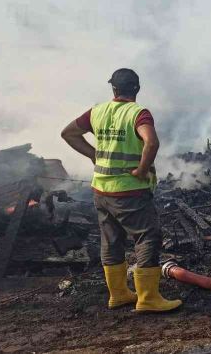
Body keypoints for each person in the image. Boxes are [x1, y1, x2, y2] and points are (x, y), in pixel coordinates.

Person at [61, 68, 181, 312]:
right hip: (129, 191)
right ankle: (148, 298)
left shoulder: (97, 111)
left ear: (113, 89)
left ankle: (119, 295)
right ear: (137, 88)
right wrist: (142, 169)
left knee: (111, 240)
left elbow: (68, 133)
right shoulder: (138, 113)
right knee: (148, 237)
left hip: (102, 190)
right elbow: (151, 142)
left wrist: (94, 155)